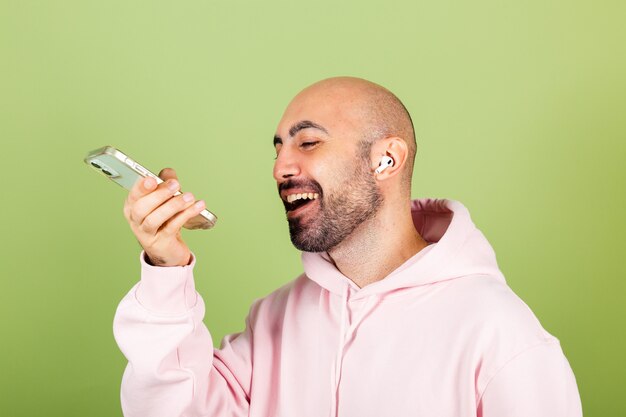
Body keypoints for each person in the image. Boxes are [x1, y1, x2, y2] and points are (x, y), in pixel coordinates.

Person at [113, 77, 582, 417]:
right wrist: (166, 267)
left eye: (309, 142)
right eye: (277, 149)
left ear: (386, 159)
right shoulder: (276, 319)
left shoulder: (501, 334)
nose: (280, 167)